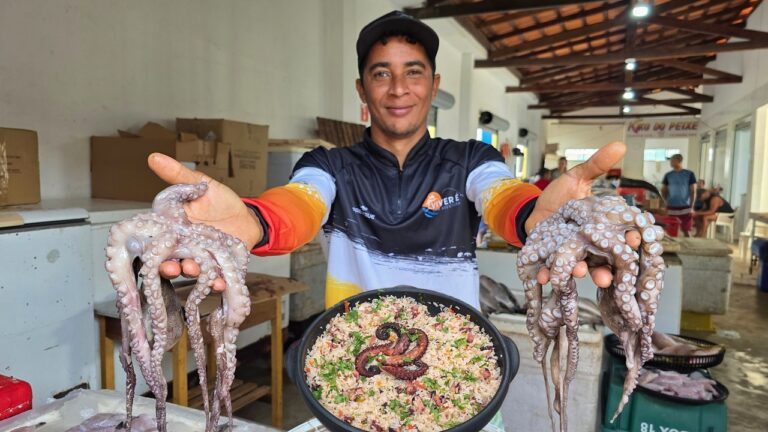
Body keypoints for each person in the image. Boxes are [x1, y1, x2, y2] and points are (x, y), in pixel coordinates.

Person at [151, 10, 639, 311]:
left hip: (456, 351)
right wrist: (254, 223)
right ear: (363, 89)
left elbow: (502, 198)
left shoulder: (471, 160)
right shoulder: (330, 165)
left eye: (414, 72)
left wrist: (536, 218)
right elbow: (297, 207)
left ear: (434, 84)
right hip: (351, 350)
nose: (399, 88)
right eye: (381, 74)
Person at [661, 154, 696, 237]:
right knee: (670, 230)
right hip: (671, 206)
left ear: (678, 161)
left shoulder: (689, 174)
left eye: (672, 160)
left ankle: (689, 248)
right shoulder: (668, 175)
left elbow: (693, 191)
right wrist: (665, 202)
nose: (670, 162)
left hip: (685, 207)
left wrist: (692, 207)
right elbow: (663, 190)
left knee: (686, 230)